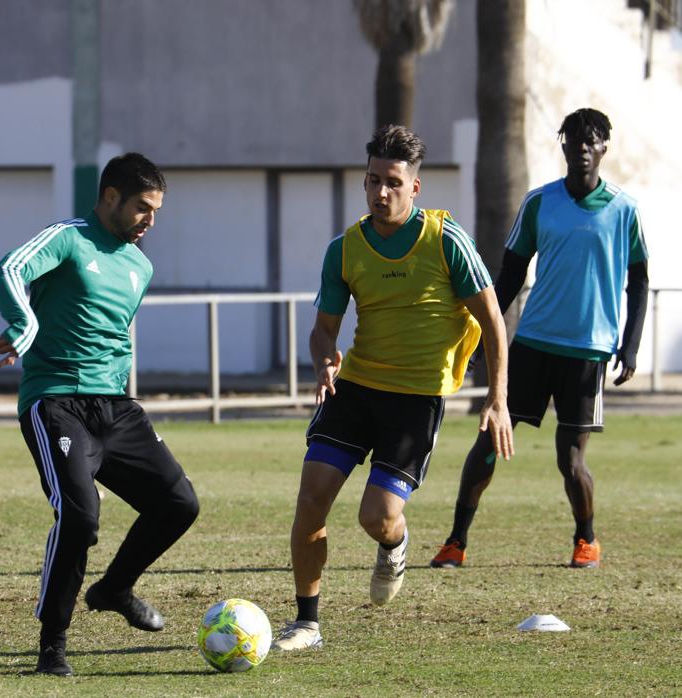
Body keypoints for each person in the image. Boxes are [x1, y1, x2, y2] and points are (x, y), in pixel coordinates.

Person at [273, 125, 514, 652]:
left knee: (375, 516)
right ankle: (307, 623)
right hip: (357, 386)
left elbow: (494, 320)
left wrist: (498, 400)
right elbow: (323, 331)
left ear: (415, 188)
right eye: (373, 181)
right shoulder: (344, 250)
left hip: (416, 400)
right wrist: (323, 361)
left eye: (393, 183)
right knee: (311, 498)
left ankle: (395, 541)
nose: (381, 193)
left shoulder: (446, 240)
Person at [0, 153, 200, 677]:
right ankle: (52, 645)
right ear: (110, 197)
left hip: (116, 407)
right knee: (80, 518)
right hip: (56, 401)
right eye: (143, 208)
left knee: (179, 504)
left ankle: (114, 588)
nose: (151, 220)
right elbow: (8, 270)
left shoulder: (140, 266)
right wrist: (23, 324)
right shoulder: (68, 236)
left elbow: (113, 335)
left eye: (157, 211)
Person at [429, 107, 649, 571]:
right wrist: (474, 333)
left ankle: (586, 539)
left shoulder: (625, 210)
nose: (583, 148)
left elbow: (639, 282)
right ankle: (455, 542)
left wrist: (629, 345)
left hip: (587, 353)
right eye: (574, 140)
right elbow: (506, 278)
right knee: (489, 440)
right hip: (533, 344)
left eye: (592, 141)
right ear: (563, 145)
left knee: (570, 461)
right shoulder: (539, 203)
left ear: (605, 147)